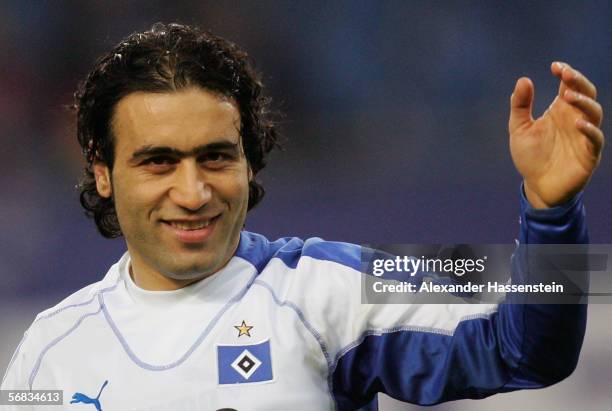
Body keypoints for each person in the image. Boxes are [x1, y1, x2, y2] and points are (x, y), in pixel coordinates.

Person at [1, 22, 604, 411]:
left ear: (251, 162)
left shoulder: (328, 286)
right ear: (103, 172)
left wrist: (551, 209)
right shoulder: (49, 352)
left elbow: (525, 351)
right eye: (158, 162)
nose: (192, 192)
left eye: (216, 157)